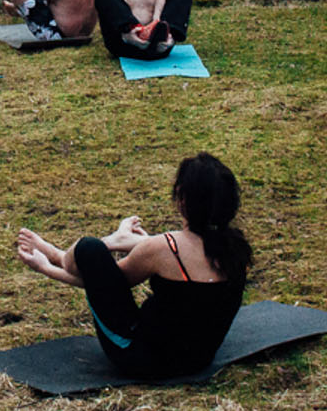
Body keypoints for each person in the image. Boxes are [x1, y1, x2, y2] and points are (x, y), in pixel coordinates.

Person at [14, 154, 251, 382]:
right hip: (198, 360)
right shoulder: (237, 249)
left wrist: (46, 267)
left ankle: (65, 253)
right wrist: (146, 244)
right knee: (131, 251)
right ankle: (115, 241)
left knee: (89, 248)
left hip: (139, 359)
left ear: (182, 199)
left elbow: (105, 286)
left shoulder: (165, 248)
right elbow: (188, 255)